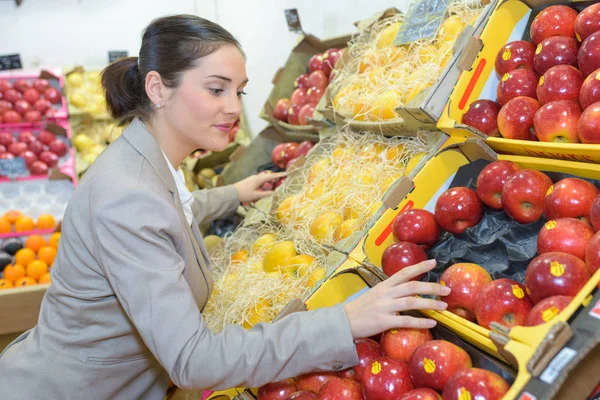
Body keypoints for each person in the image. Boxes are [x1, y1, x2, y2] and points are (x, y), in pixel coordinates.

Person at [0, 15, 450, 399]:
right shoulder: (127, 196)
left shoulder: (143, 160)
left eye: (240, 92)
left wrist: (232, 195)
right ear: (157, 88)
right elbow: (193, 360)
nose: (232, 107)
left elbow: (172, 212)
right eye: (216, 89)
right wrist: (343, 322)